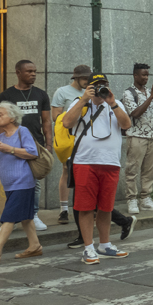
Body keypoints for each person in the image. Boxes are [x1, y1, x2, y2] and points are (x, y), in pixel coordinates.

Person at [61, 74, 133, 264]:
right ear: (88, 86)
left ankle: (105, 245)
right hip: (85, 162)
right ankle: (88, 248)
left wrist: (113, 104)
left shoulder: (115, 103)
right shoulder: (79, 102)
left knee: (106, 207)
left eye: (104, 85)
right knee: (85, 207)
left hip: (110, 163)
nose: (101, 89)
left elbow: (126, 125)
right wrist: (84, 99)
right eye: (96, 86)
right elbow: (67, 123)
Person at [0, 102, 43, 264]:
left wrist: (9, 149)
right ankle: (35, 246)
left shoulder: (23, 132)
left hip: (23, 182)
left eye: (0, 115)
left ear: (12, 117)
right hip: (9, 184)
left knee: (9, 217)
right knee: (26, 218)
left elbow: (32, 152)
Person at [0, 59, 54, 231]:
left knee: (34, 183)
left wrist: (48, 145)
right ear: (18, 72)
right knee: (13, 182)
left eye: (34, 71)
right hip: (11, 144)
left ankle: (33, 215)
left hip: (34, 145)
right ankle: (12, 219)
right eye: (29, 71)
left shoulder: (41, 94)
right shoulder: (6, 95)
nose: (33, 74)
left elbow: (46, 121)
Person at [120, 63, 153, 214]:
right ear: (135, 75)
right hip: (136, 136)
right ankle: (131, 200)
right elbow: (135, 113)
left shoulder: (149, 91)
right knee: (132, 169)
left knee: (150, 170)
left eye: (147, 75)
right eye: (143, 75)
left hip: (152, 136)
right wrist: (152, 97)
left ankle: (146, 198)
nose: (146, 77)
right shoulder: (128, 93)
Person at [52, 65, 94, 222]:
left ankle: (87, 207)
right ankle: (64, 209)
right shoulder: (62, 92)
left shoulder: (91, 92)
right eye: (84, 78)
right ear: (75, 78)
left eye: (88, 78)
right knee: (66, 171)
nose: (86, 81)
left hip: (88, 137)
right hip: (70, 138)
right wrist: (75, 111)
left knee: (88, 173)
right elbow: (55, 116)